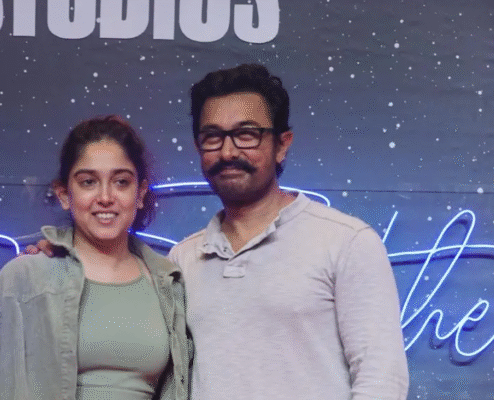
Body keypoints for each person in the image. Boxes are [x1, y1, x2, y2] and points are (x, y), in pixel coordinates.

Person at [167, 64, 409, 399]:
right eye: (212, 137)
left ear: (282, 144)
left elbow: (382, 379)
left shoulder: (346, 242)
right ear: (198, 148)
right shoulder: (182, 259)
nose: (228, 152)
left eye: (246, 134)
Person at [0, 115, 190, 400]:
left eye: (121, 182)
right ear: (64, 194)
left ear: (141, 193)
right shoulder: (24, 278)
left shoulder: (168, 284)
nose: (105, 197)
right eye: (88, 182)